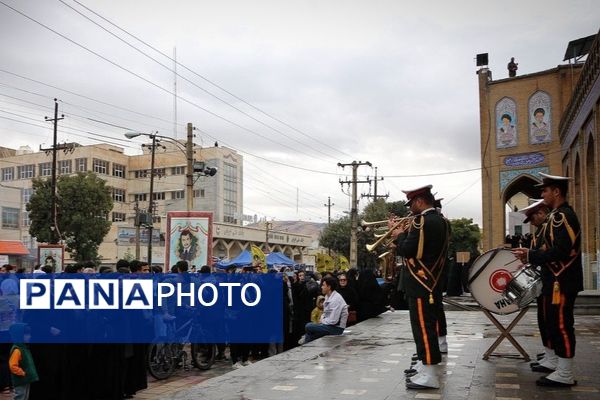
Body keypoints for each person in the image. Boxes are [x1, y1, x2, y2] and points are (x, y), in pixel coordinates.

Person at [512, 173, 582, 387]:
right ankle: (556, 363)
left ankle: (565, 372)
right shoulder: (557, 216)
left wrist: (531, 255)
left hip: (562, 280)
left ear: (556, 191)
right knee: (552, 322)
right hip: (554, 279)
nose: (542, 195)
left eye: (545, 190)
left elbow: (562, 250)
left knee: (561, 324)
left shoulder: (562, 216)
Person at [392, 185, 450, 390]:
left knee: (423, 328)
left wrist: (399, 235)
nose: (410, 209)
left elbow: (408, 251)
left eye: (411, 204)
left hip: (420, 282)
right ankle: (426, 368)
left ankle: (429, 373)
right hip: (432, 282)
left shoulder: (421, 221)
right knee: (428, 326)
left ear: (419, 201)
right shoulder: (442, 221)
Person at [518, 199, 552, 373]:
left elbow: (548, 253)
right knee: (543, 319)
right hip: (543, 280)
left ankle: (556, 361)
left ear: (541, 213)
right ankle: (550, 355)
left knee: (553, 321)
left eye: (532, 218)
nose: (531, 223)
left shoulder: (550, 228)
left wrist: (530, 255)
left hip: (553, 280)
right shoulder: (540, 231)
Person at [299, 276, 348, 344]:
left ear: (329, 287)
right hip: (328, 325)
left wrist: (321, 321)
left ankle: (305, 342)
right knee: (311, 332)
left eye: (323, 285)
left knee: (308, 326)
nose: (321, 287)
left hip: (336, 328)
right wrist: (322, 321)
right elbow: (324, 313)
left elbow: (333, 321)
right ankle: (306, 342)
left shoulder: (336, 299)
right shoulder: (327, 296)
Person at [9, 323, 38, 400]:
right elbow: (12, 366)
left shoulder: (24, 348)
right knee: (20, 397)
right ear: (19, 335)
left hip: (26, 379)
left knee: (25, 397)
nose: (29, 336)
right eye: (26, 334)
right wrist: (22, 373)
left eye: (29, 334)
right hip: (20, 380)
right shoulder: (17, 350)